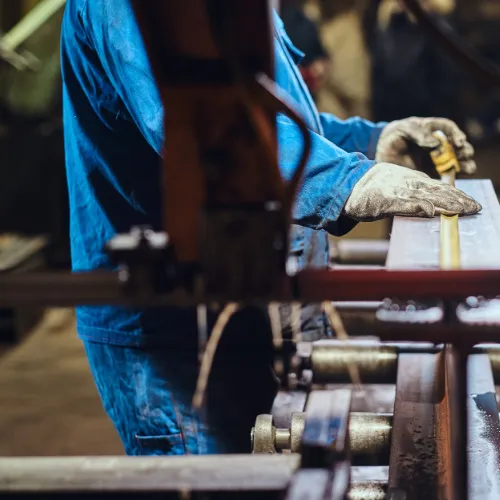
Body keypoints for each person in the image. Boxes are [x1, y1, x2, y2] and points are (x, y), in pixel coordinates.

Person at [60, 0, 480, 456]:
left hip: (248, 303)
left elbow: (268, 115)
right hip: (174, 330)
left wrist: (369, 144)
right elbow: (199, 128)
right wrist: (345, 180)